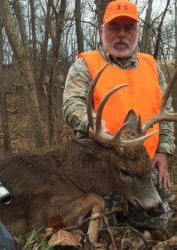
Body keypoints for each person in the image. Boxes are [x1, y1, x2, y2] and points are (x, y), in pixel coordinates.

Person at [62, 0, 175, 230]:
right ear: (102, 31)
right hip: (100, 167)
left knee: (160, 226)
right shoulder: (86, 65)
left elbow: (166, 114)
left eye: (129, 28)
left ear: (137, 32)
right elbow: (71, 104)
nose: (121, 35)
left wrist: (163, 152)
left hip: (141, 169)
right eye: (114, 28)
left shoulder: (151, 66)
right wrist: (90, 123)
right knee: (98, 231)